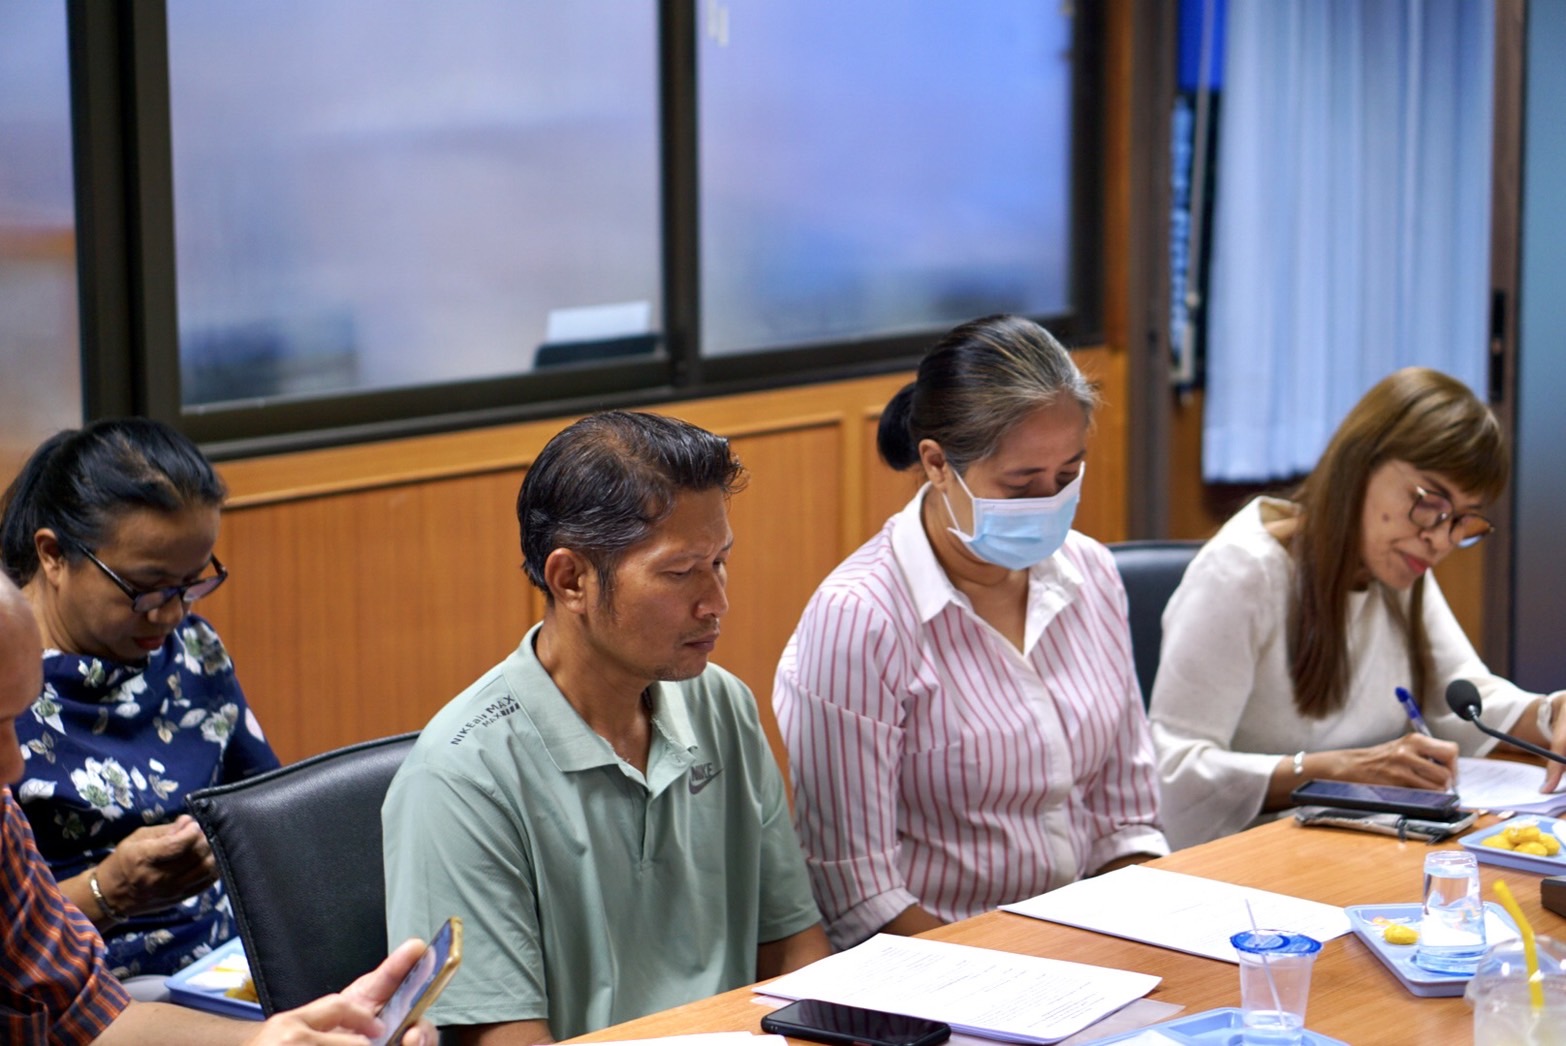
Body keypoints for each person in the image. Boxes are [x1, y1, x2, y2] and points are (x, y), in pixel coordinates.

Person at [382, 410, 829, 1044]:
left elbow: (793, 948)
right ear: (572, 580)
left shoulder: (721, 704)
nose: (716, 602)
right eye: (680, 573)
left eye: (721, 563)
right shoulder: (462, 777)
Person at [772, 314, 1168, 951]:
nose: (1048, 503)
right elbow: (859, 896)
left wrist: (1138, 940)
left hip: (1093, 945)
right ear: (936, 464)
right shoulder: (861, 618)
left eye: (1067, 477)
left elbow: (1126, 819)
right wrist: (1008, 981)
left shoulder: (1090, 571)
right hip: (941, 969)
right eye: (1020, 484)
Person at [0, 571, 435, 1045]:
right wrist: (110, 892)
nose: (14, 765)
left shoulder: (3, 821)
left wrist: (274, 1039)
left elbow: (90, 1013)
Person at [1150, 367, 1566, 849]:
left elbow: (1469, 703)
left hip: (1358, 846)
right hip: (1252, 862)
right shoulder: (1244, 571)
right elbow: (1173, 770)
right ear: (1360, 463)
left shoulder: (1397, 568)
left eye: (1461, 522)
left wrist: (1552, 711)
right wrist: (1331, 769)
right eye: (1429, 501)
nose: (1438, 539)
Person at [0, 418, 280, 980]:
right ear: (53, 555)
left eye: (191, 583)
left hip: (232, 963)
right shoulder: (9, 684)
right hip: (91, 987)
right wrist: (111, 888)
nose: (171, 614)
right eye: (146, 588)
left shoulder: (190, 648)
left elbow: (267, 810)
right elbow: (14, 944)